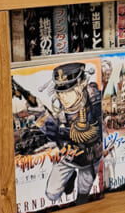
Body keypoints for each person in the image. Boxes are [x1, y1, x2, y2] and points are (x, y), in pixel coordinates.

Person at [36, 62, 103, 205]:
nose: (63, 97)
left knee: (84, 194)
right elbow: (57, 134)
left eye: (68, 91)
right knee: (51, 193)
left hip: (91, 157)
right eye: (60, 92)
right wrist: (43, 119)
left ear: (82, 83)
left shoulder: (95, 100)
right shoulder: (58, 108)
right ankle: (70, 176)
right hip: (68, 157)